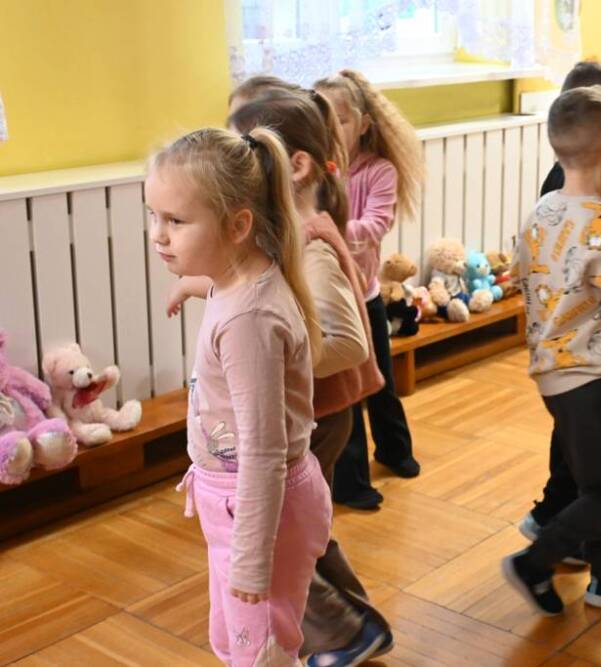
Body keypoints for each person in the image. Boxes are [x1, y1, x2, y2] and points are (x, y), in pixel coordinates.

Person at [149, 126, 334, 665]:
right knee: (235, 642)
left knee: (263, 655)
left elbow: (263, 451)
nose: (158, 235)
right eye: (153, 216)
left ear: (237, 225)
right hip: (234, 504)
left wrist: (253, 559)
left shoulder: (248, 320)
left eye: (176, 221)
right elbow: (229, 288)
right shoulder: (237, 283)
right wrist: (194, 285)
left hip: (258, 510)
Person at [229, 88, 395, 667]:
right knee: (305, 528)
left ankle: (342, 633)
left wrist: (274, 364)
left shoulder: (312, 245)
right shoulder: (289, 235)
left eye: (243, 154)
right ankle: (357, 623)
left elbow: (349, 343)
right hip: (310, 413)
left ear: (295, 165)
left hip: (318, 416)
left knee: (278, 536)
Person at [500, 84, 601, 615]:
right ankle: (535, 563)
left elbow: (522, 274)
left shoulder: (541, 211)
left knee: (592, 479)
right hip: (594, 381)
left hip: (552, 378)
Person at [524, 58, 601, 569]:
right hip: (593, 370)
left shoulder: (543, 210)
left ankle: (600, 565)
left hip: (553, 367)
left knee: (591, 467)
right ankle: (543, 551)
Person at [314, 70, 425, 509]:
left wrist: (326, 230)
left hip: (366, 298)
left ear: (362, 124)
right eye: (324, 120)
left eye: (340, 120)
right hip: (331, 306)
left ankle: (395, 450)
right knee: (347, 394)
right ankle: (351, 483)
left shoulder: (379, 171)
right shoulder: (314, 172)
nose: (332, 130)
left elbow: (375, 225)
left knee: (381, 385)